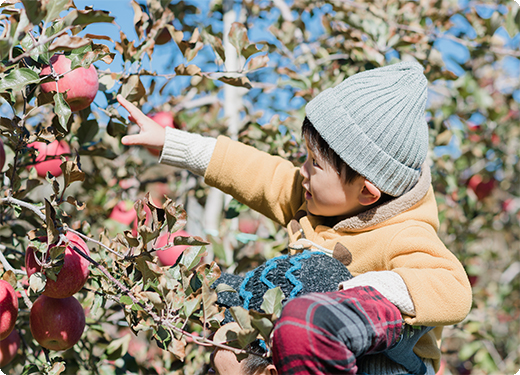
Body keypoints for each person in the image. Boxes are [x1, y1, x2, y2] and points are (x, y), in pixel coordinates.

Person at [117, 61, 472, 375]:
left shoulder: (404, 232)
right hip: (308, 352)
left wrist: (368, 289)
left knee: (315, 277)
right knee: (230, 302)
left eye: (314, 164)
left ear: (367, 192)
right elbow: (254, 172)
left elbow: (454, 290)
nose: (301, 171)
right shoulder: (317, 201)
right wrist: (171, 143)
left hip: (384, 364)